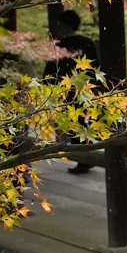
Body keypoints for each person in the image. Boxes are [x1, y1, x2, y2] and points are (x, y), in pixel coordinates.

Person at [43, 9, 100, 174]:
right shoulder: (88, 43)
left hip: (65, 91)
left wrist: (47, 85)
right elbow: (95, 67)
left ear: (65, 25)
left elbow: (51, 71)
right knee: (81, 123)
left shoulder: (60, 45)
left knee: (73, 124)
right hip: (84, 89)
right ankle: (86, 157)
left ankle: (84, 159)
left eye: (60, 24)